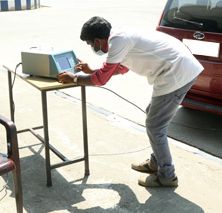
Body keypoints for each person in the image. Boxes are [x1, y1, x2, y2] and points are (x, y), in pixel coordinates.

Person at [57, 16, 203, 187]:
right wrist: (92, 70)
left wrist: (75, 78)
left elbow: (101, 79)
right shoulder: (120, 37)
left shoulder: (118, 41)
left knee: (155, 126)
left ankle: (167, 176)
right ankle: (157, 162)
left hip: (177, 72)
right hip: (177, 69)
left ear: (97, 41)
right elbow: (121, 67)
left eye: (90, 44)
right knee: (152, 115)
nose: (92, 48)